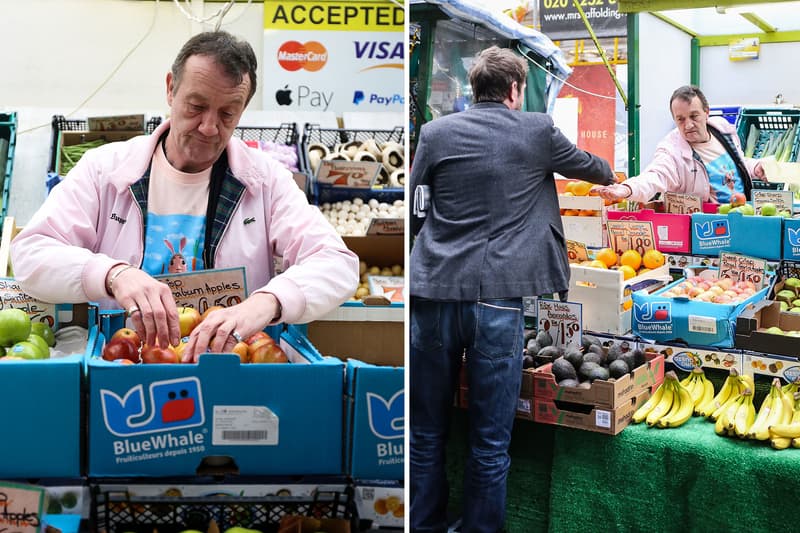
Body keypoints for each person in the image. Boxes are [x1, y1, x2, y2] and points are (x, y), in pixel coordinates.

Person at [11, 31, 359, 362]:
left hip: (228, 371)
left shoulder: (266, 181)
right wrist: (112, 274)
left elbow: (337, 263)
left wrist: (268, 301)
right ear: (170, 88)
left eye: (227, 113)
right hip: (121, 370)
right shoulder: (105, 170)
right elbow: (31, 253)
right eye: (196, 106)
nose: (209, 127)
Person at [409, 45, 615, 533]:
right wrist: (602, 173)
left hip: (434, 293)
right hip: (497, 299)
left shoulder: (435, 133)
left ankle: (423, 523)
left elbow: (417, 204)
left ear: (473, 88)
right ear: (516, 90)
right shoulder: (536, 130)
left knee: (425, 433)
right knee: (489, 441)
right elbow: (594, 169)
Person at [596, 85, 765, 204]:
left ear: (706, 112)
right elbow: (655, 175)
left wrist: (755, 167)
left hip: (743, 212)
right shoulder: (672, 150)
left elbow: (735, 162)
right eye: (681, 119)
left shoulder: (722, 130)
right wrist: (627, 189)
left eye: (694, 116)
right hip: (708, 229)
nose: (688, 125)